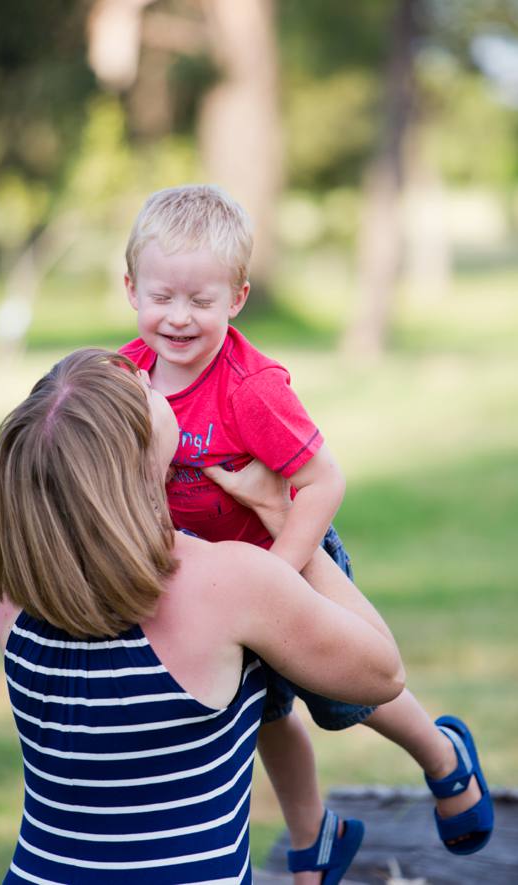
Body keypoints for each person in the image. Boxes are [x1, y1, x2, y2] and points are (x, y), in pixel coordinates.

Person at [118, 185, 492, 878]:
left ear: (236, 298)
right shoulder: (125, 377)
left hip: (283, 558)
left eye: (201, 302)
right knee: (263, 713)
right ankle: (312, 835)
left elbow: (324, 479)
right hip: (207, 584)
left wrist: (286, 572)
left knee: (347, 693)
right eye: (162, 296)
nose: (177, 317)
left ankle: (443, 757)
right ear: (131, 286)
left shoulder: (249, 390)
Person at [0, 348, 405, 883]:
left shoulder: (17, 588)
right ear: (139, 456)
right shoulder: (227, 581)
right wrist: (281, 513)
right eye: (143, 387)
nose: (149, 370)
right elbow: (382, 674)